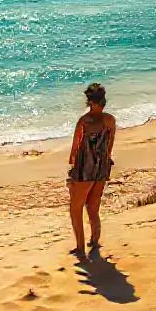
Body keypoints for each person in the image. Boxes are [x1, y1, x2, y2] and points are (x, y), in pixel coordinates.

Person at [67, 83, 116, 257]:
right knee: (93, 207)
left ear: (90, 102)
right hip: (102, 166)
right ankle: (94, 241)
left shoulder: (84, 121)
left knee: (75, 208)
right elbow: (110, 144)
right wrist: (105, 159)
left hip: (86, 167)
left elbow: (75, 148)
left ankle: (80, 248)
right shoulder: (110, 120)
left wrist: (73, 168)